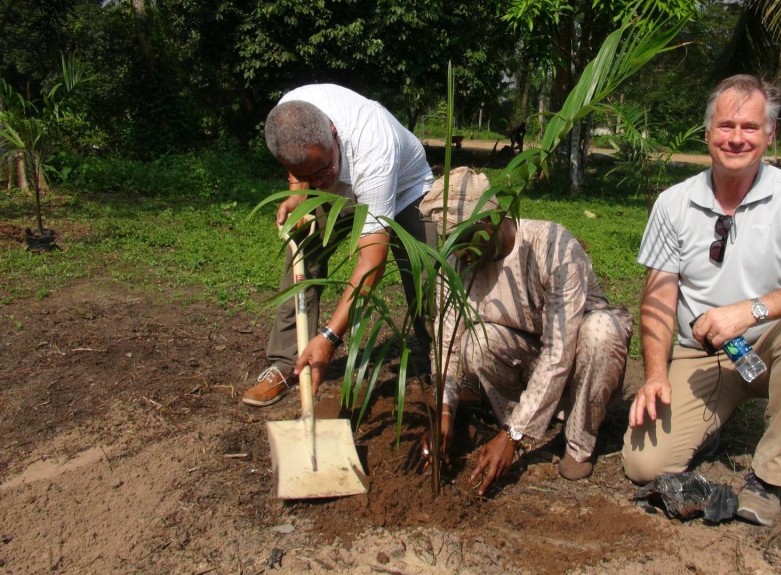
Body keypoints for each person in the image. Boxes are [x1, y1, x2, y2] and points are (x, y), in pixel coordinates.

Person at [621, 75, 781, 526]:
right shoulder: (674, 203)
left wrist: (750, 311)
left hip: (770, 345)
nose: (736, 138)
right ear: (707, 132)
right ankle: (707, 430)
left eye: (749, 127)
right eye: (725, 125)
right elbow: (658, 294)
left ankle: (769, 478)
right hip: (701, 355)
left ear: (770, 135)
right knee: (643, 465)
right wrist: (655, 374)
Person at [419, 167, 632, 495]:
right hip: (528, 358)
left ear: (490, 221)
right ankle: (526, 416)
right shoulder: (456, 265)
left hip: (580, 361)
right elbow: (446, 339)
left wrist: (512, 437)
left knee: (601, 330)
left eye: (465, 240)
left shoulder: (551, 246)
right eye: (451, 244)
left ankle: (578, 437)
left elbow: (560, 349)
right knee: (477, 342)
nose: (461, 253)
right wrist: (443, 411)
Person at [242, 84, 436, 407]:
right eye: (310, 175)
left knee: (425, 275)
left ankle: (445, 362)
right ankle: (286, 362)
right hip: (344, 185)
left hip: (405, 189)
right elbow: (300, 163)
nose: (318, 180)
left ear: (333, 132)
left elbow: (372, 259)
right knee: (303, 249)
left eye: (323, 169)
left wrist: (330, 337)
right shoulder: (288, 114)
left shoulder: (373, 146)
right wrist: (297, 191)